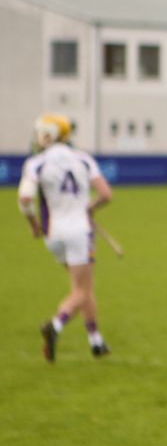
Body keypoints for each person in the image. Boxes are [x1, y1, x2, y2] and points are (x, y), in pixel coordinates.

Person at [17, 114, 113, 362]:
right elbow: (105, 194)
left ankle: (96, 342)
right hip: (79, 232)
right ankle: (55, 325)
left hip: (53, 235)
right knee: (81, 291)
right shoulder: (82, 159)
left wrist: (33, 224)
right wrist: (90, 208)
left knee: (81, 288)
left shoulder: (35, 163)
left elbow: (25, 199)